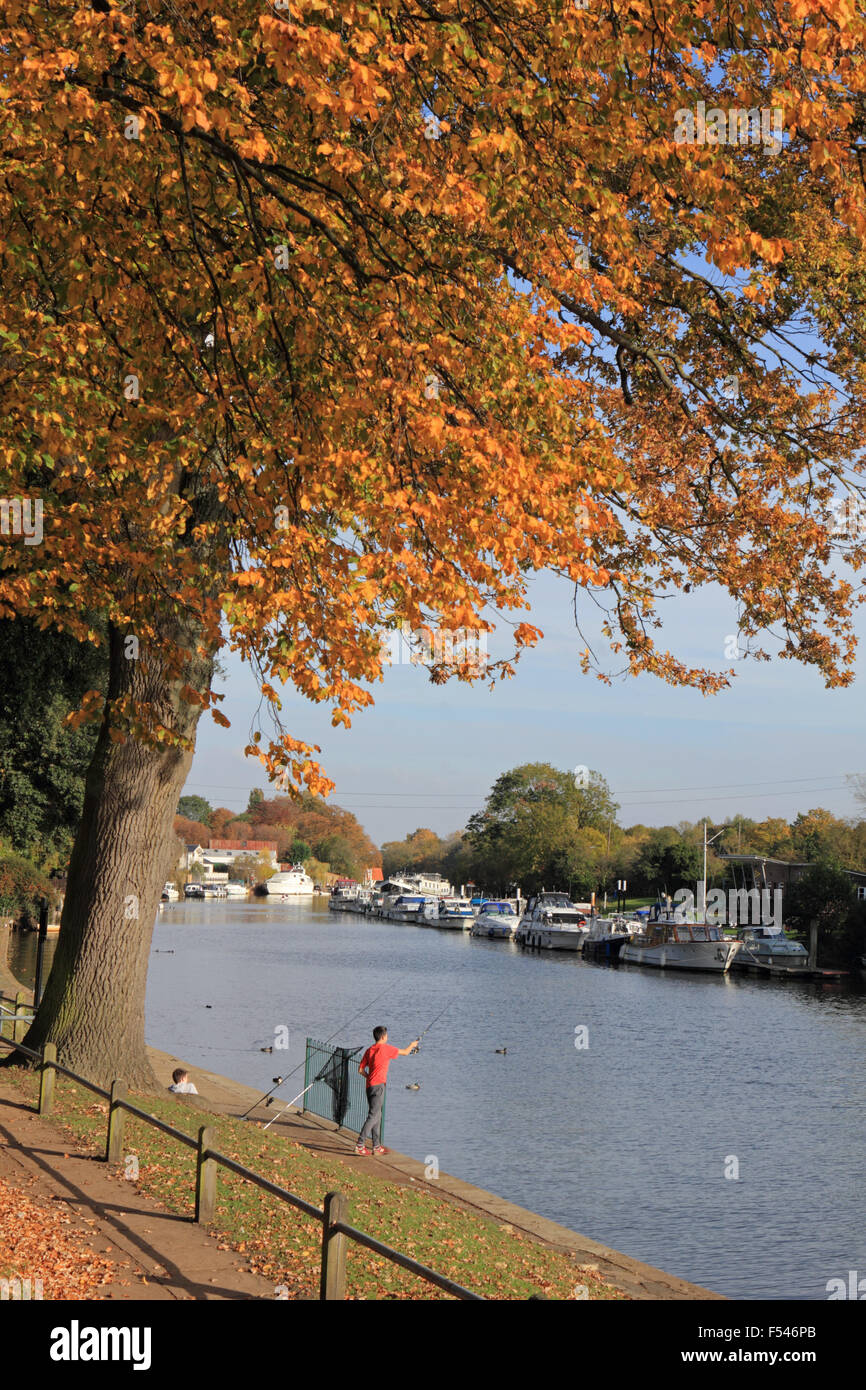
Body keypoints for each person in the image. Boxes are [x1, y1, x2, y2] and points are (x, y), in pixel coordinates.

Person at [355, 1026, 419, 1155]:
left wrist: (369, 1078)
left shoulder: (369, 1050)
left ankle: (376, 1147)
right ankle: (359, 1145)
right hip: (379, 1086)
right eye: (387, 1035)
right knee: (373, 1116)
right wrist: (413, 1044)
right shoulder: (386, 1048)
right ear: (383, 1036)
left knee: (377, 1115)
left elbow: (360, 1070)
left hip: (369, 1086)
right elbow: (406, 1052)